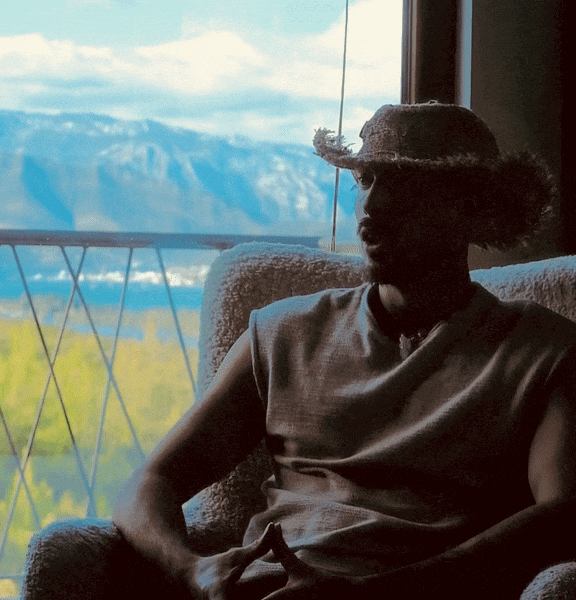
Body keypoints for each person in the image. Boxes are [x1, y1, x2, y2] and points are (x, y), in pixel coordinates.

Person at [112, 102, 576, 599]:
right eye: (366, 180)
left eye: (406, 184)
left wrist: (368, 593)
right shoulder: (284, 334)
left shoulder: (542, 353)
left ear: (471, 208)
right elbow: (152, 481)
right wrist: (190, 569)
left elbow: (564, 517)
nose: (372, 207)